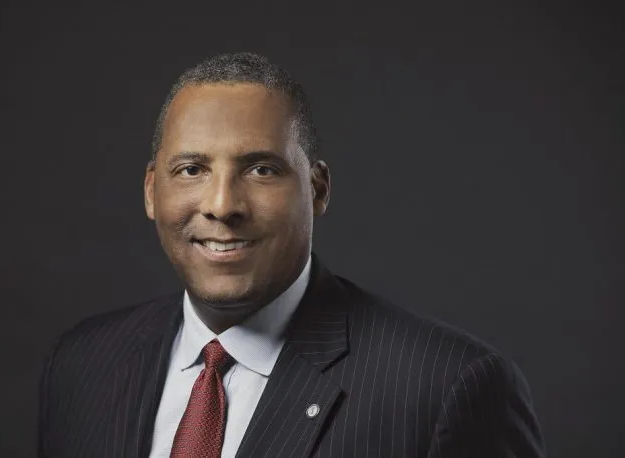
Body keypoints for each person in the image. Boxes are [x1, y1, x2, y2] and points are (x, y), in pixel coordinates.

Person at [38, 52, 545, 458]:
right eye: (192, 169)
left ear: (318, 188)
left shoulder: (448, 387)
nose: (222, 206)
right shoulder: (83, 363)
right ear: (152, 191)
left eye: (261, 169)